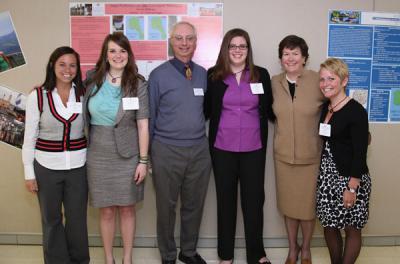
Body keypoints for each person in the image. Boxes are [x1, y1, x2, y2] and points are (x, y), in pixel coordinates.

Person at [204, 28, 275, 264]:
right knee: (226, 202)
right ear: (226, 49)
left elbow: (271, 111)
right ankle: (226, 255)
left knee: (254, 202)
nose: (237, 50)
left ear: (248, 50)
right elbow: (205, 111)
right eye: (233, 46)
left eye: (242, 46)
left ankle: (257, 254)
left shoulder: (260, 75)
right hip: (222, 149)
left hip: (254, 149)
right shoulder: (214, 75)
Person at [148, 21, 211, 264]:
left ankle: (188, 251)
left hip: (198, 151)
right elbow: (150, 116)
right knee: (166, 207)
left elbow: (205, 111)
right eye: (179, 38)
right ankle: (168, 254)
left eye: (189, 38)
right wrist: (150, 156)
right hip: (166, 150)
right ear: (171, 41)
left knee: (194, 205)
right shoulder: (158, 75)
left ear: (195, 43)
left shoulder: (204, 74)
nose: (184, 43)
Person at [83, 32, 149, 264]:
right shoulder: (91, 80)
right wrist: (43, 88)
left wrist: (143, 160)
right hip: (97, 153)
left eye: (122, 51)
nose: (117, 55)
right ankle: (109, 258)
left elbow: (143, 125)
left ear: (128, 54)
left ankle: (127, 258)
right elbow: (66, 90)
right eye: (112, 50)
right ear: (105, 54)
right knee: (106, 210)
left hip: (129, 154)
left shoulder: (138, 83)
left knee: (127, 208)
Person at [22, 46, 89, 264]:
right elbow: (29, 138)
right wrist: (28, 173)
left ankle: (79, 260)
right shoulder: (37, 97)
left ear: (78, 69)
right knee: (51, 220)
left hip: (78, 168)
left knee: (77, 219)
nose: (67, 69)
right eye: (62, 64)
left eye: (72, 65)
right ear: (52, 65)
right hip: (46, 168)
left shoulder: (85, 93)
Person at [271, 35, 325, 264]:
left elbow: (336, 108)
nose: (290, 58)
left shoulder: (318, 81)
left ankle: (306, 249)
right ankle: (292, 248)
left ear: (304, 57)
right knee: (289, 206)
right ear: (281, 58)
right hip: (283, 156)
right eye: (286, 53)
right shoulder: (273, 82)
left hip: (311, 156)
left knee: (307, 208)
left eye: (295, 53)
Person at [317, 58, 371, 264]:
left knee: (351, 227)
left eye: (331, 78)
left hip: (349, 179)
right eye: (322, 79)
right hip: (328, 179)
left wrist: (352, 187)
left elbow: (360, 152)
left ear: (344, 80)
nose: (325, 83)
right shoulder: (326, 108)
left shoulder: (356, 111)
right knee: (329, 226)